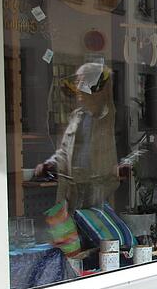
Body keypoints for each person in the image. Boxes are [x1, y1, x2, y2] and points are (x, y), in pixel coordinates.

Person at [36, 63, 121, 210]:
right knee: (69, 232)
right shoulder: (77, 116)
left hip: (98, 197)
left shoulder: (112, 117)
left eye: (82, 81)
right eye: (77, 81)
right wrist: (51, 164)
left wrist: (99, 193)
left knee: (96, 231)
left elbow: (118, 165)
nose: (77, 86)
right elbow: (64, 151)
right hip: (72, 195)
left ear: (96, 87)